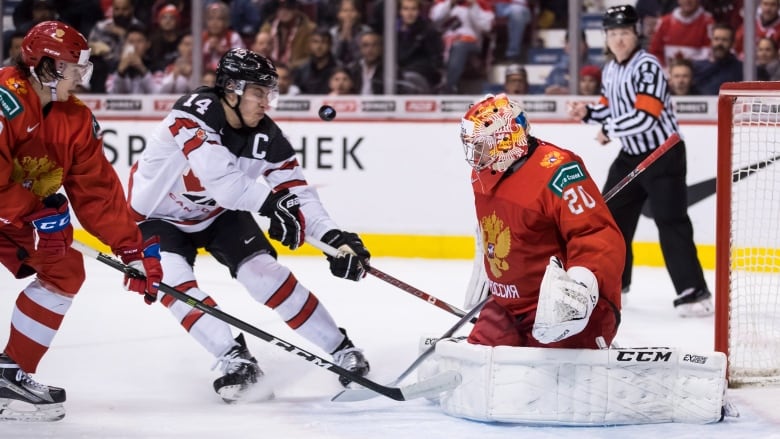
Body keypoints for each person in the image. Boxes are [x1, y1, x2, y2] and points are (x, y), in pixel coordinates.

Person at [126, 48, 371, 403]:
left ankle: (342, 349)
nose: (267, 102)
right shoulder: (193, 113)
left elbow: (299, 194)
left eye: (271, 93)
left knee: (263, 274)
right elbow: (223, 183)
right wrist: (273, 206)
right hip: (158, 218)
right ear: (231, 88)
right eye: (259, 92)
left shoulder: (267, 138)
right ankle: (235, 359)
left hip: (219, 214)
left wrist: (334, 238)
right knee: (171, 279)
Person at [0, 20, 162, 421]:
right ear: (47, 66)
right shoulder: (5, 98)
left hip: (10, 211)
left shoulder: (73, 119)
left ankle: (8, 374)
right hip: (10, 206)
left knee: (64, 269)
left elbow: (98, 192)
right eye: (75, 68)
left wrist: (131, 247)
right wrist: (36, 212)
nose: (82, 77)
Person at [568, 5, 714, 317]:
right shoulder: (610, 69)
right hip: (631, 155)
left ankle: (693, 290)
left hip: (662, 155)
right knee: (610, 218)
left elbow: (646, 117)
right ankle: (616, 282)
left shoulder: (647, 67)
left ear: (636, 34)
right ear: (605, 37)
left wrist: (608, 128)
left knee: (670, 220)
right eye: (613, 33)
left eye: (624, 32)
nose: (619, 39)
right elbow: (611, 108)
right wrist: (589, 114)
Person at [460, 93, 624, 349]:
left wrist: (581, 284)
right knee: (478, 364)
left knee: (551, 381)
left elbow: (596, 235)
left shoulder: (558, 170)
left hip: (557, 307)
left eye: (481, 144)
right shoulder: (483, 172)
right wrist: (489, 265)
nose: (475, 153)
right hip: (506, 307)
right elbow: (497, 223)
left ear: (505, 139)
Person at [691, 23, 742, 95]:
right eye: (716, 39)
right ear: (711, 41)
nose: (719, 43)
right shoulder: (696, 67)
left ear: (733, 43)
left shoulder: (741, 69)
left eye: (724, 40)